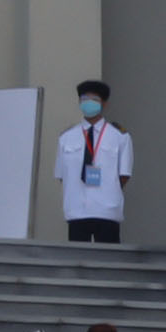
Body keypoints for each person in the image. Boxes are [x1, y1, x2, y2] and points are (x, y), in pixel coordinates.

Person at [55, 82, 135, 243]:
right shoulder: (67, 137)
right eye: (84, 99)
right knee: (78, 262)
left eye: (94, 99)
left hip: (107, 210)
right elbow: (62, 175)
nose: (88, 103)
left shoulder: (119, 136)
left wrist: (107, 191)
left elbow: (124, 175)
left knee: (108, 261)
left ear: (104, 103)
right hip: (77, 209)